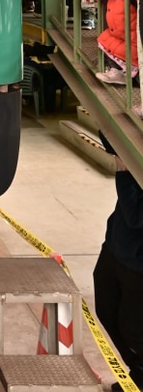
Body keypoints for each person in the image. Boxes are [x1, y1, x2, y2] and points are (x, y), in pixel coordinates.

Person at [93, 132, 143, 392]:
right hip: (115, 248)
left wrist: (124, 172)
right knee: (106, 311)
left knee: (134, 329)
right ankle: (136, 374)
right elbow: (113, 137)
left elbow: (137, 215)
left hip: (138, 267)